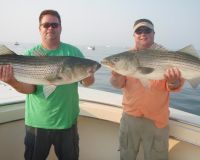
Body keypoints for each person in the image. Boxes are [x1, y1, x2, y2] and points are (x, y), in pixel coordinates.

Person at [0, 9, 95, 160]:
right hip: (37, 123)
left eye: (54, 25)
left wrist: (89, 77)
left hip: (67, 123)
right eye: (46, 25)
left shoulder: (74, 52)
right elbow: (30, 89)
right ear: (40, 29)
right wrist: (12, 81)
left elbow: (87, 82)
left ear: (60, 27)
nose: (50, 28)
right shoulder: (31, 54)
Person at [110, 19, 184, 160]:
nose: (143, 34)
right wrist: (116, 75)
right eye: (139, 31)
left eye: (147, 30)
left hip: (157, 122)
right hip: (130, 119)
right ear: (134, 35)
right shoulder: (125, 57)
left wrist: (173, 81)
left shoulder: (167, 56)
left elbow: (173, 87)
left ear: (153, 33)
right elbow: (117, 84)